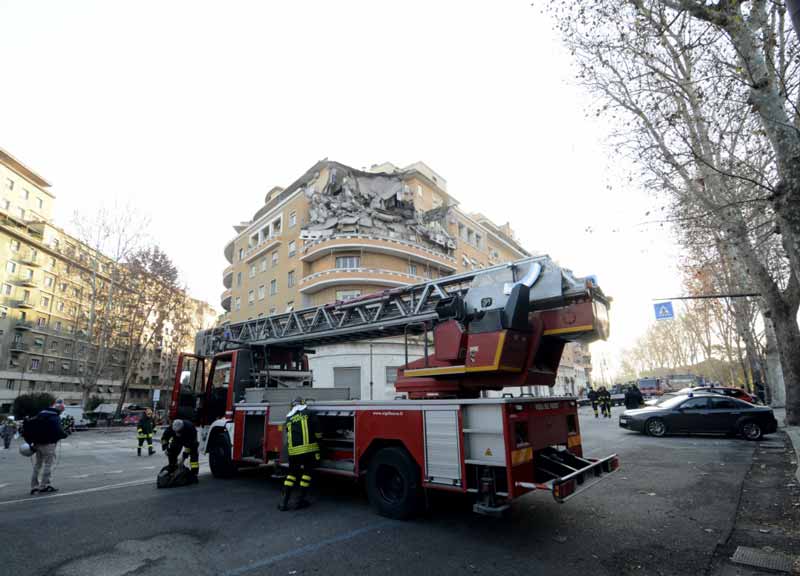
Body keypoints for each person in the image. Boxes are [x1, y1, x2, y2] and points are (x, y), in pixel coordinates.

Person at [278, 397, 322, 511]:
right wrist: (320, 442)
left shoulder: (288, 418)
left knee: (291, 475)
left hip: (293, 453)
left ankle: (283, 503)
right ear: (303, 404)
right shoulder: (310, 413)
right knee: (307, 474)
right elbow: (317, 431)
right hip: (309, 451)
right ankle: (299, 501)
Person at [29, 399, 68, 494]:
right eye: (62, 410)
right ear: (60, 409)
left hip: (37, 444)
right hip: (48, 444)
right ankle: (44, 485)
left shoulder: (40, 414)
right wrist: (65, 434)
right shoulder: (54, 417)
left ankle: (34, 486)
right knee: (48, 465)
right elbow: (58, 431)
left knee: (37, 465)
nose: (62, 412)